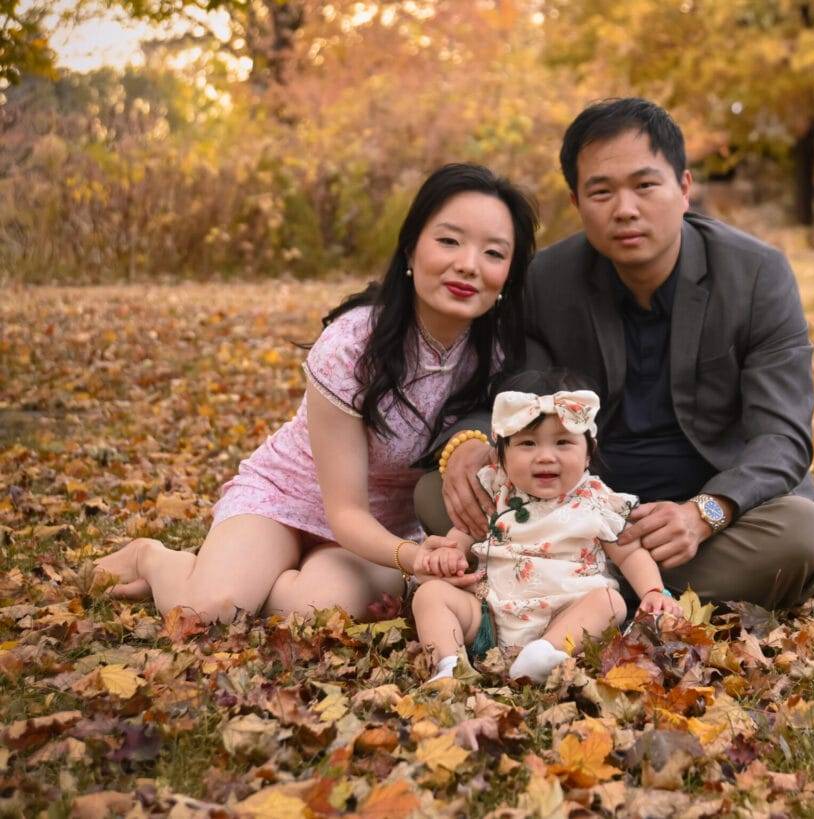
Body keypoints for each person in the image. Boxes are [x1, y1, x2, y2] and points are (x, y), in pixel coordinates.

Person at [420, 99, 814, 611]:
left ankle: (574, 588)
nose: (625, 209)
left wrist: (704, 512)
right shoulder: (547, 281)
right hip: (583, 507)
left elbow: (781, 437)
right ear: (578, 202)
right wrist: (466, 444)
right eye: (601, 191)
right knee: (434, 493)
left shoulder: (756, 274)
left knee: (802, 533)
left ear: (684, 188)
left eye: (645, 186)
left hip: (705, 511)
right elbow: (514, 394)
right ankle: (615, 586)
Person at [96, 163, 538, 623]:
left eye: (492, 252)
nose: (467, 264)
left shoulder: (503, 358)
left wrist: (442, 549)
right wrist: (414, 559)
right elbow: (344, 509)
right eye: (448, 241)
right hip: (285, 498)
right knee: (208, 611)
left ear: (509, 272)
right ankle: (155, 558)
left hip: (382, 527)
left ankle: (258, 577)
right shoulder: (353, 344)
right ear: (410, 248)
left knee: (317, 613)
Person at [412, 371, 682, 684]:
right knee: (430, 594)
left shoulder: (596, 500)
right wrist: (451, 553)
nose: (545, 457)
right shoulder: (494, 491)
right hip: (492, 615)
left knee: (610, 602)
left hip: (568, 614)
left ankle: (543, 654)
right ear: (500, 457)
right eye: (527, 443)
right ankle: (448, 667)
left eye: (563, 442)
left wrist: (652, 590)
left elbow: (630, 553)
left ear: (588, 454)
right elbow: (462, 531)